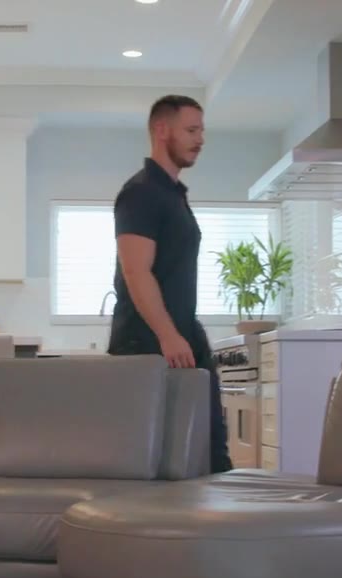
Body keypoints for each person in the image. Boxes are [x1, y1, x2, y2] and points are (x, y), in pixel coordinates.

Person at [106, 94, 232, 474]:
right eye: (191, 130)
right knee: (150, 459)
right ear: (162, 131)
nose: (200, 139)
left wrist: (185, 335)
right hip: (148, 344)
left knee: (208, 452)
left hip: (180, 338)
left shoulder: (173, 195)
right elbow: (135, 271)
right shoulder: (141, 193)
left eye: (202, 131)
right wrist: (168, 335)